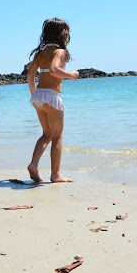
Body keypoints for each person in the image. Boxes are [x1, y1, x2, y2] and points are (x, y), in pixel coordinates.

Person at [26, 18, 79, 183]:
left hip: (39, 97)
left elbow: (29, 75)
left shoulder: (40, 53)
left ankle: (34, 164)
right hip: (52, 97)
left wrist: (36, 95)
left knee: (46, 134)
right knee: (57, 137)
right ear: (63, 34)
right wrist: (72, 75)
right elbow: (55, 70)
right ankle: (55, 174)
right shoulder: (60, 52)